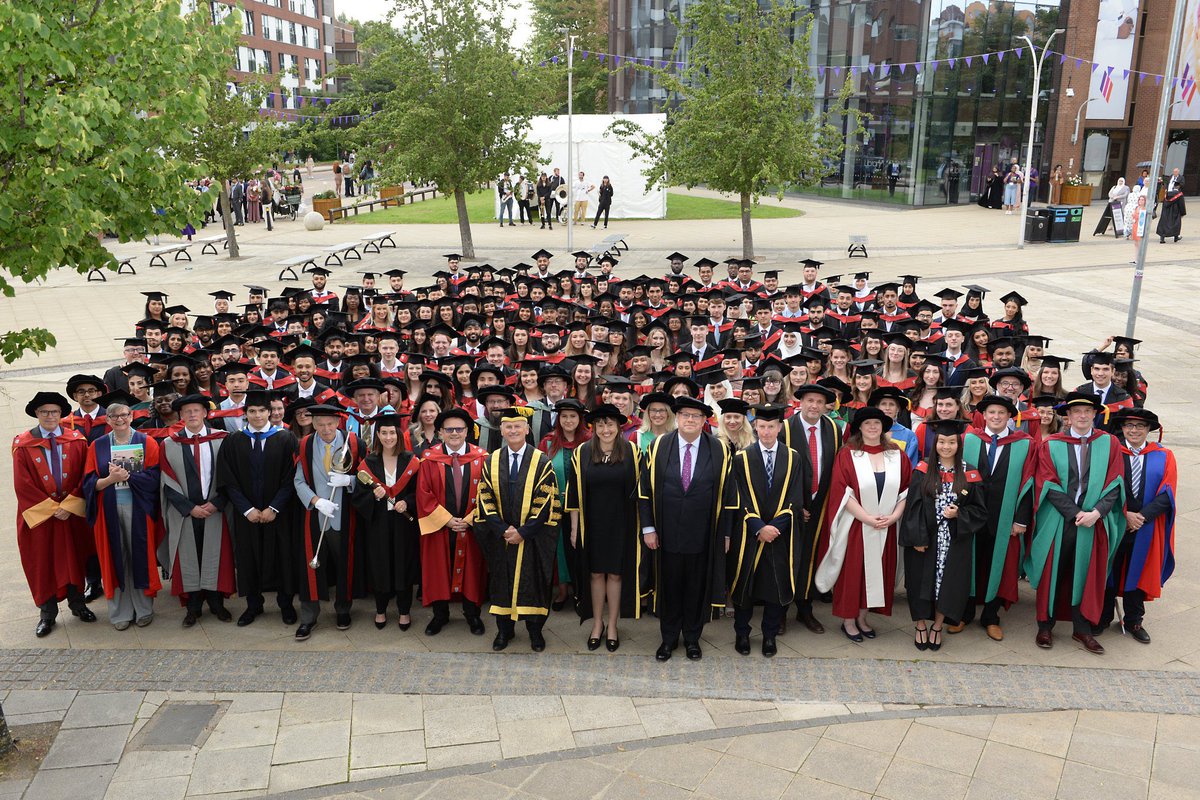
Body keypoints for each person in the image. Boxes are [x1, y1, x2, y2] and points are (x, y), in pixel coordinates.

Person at [639, 395, 737, 661]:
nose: (690, 420)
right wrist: (648, 528)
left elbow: (729, 496)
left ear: (705, 420)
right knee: (669, 587)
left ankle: (693, 638)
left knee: (696, 587)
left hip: (704, 533)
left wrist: (726, 533)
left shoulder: (719, 449)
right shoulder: (659, 446)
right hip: (666, 532)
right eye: (685, 415)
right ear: (677, 418)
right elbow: (645, 490)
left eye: (696, 416)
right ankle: (668, 639)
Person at [1028, 392, 1125, 654]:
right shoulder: (1052, 444)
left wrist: (1096, 512)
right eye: (1076, 412)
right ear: (1067, 416)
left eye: (1087, 411)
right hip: (1060, 520)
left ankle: (1082, 629)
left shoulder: (1110, 443)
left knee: (1085, 573)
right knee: (1053, 571)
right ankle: (1045, 626)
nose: (1082, 416)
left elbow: (1115, 482)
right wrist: (1074, 513)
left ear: (1095, 414)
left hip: (1094, 520)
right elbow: (1047, 481)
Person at [815, 406, 912, 642]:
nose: (872, 427)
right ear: (859, 427)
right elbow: (842, 493)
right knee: (853, 574)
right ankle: (848, 621)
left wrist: (895, 516)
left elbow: (906, 490)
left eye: (877, 423)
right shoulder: (848, 454)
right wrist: (867, 518)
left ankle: (862, 617)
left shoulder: (897, 455)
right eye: (867, 423)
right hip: (857, 526)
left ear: (883, 427)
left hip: (886, 526)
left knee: (878, 573)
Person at [475, 407, 562, 652]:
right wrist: (503, 529)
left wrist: (523, 532)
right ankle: (504, 631)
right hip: (501, 536)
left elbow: (546, 501)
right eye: (508, 426)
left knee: (533, 582)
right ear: (501, 430)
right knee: (501, 582)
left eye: (517, 426)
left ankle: (535, 632)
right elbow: (484, 497)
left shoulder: (541, 461)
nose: (513, 430)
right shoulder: (491, 460)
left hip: (532, 538)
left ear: (526, 429)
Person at [14, 391, 98, 637]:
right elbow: (22, 484)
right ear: (37, 414)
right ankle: (47, 614)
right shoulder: (23, 444)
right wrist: (52, 509)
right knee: (42, 563)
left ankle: (78, 605)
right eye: (44, 412)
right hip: (40, 518)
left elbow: (86, 475)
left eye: (54, 412)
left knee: (74, 558)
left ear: (61, 414)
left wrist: (69, 505)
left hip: (70, 514)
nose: (50, 416)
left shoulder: (76, 440)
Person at [728, 404, 809, 657]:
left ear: (779, 428)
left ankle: (770, 635)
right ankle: (742, 632)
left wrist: (775, 526)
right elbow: (737, 497)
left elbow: (796, 497)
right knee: (746, 586)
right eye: (762, 426)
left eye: (771, 426)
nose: (766, 431)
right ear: (755, 426)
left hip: (779, 534)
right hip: (750, 534)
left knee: (775, 585)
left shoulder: (793, 457)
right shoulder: (741, 457)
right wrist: (757, 525)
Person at [213, 390, 299, 627]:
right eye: (252, 411)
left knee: (283, 557)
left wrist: (274, 507)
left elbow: (292, 478)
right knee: (248, 558)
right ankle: (253, 605)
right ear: (245, 414)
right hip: (247, 515)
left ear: (271, 413)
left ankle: (286, 604)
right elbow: (228, 479)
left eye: (262, 411)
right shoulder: (233, 441)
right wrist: (247, 509)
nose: (258, 415)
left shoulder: (285, 438)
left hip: (278, 514)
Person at [900, 419, 986, 652]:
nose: (946, 446)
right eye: (941, 442)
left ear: (959, 444)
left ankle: (937, 626)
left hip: (954, 541)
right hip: (925, 539)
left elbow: (980, 511)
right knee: (919, 583)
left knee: (948, 586)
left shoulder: (970, 473)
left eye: (951, 442)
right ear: (934, 443)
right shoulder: (922, 469)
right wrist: (917, 538)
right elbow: (913, 507)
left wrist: (960, 513)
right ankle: (920, 625)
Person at [956, 395, 1035, 641]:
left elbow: (1029, 482)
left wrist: (1020, 520)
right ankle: (965, 614)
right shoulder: (969, 439)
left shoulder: (1024, 444)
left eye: (1002, 413)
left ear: (1010, 416)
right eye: (992, 412)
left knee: (998, 565)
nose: (997, 417)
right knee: (968, 563)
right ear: (984, 415)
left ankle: (991, 616)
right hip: (971, 514)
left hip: (1004, 516)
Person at [567, 404, 642, 652]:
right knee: (596, 573)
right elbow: (574, 494)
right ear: (593, 427)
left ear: (619, 426)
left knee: (617, 574)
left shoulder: (632, 451)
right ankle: (597, 623)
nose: (605, 429)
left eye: (610, 424)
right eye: (600, 424)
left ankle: (612, 625)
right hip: (592, 524)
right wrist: (575, 529)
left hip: (622, 523)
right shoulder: (582, 452)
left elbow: (642, 492)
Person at [83, 402, 163, 630]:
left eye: (124, 415)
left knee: (139, 558)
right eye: (114, 416)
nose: (120, 419)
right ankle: (120, 613)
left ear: (131, 416)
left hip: (138, 510)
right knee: (114, 560)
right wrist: (110, 479)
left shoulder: (147, 442)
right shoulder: (96, 446)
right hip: (108, 511)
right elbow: (88, 483)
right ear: (107, 420)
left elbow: (154, 478)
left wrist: (127, 476)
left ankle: (144, 609)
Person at [1100, 408, 1177, 643]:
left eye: (1140, 426)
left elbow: (1168, 493)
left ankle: (1133, 620)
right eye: (1129, 426)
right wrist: (1125, 514)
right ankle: (1102, 618)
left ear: (1148, 430)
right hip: (1114, 523)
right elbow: (1102, 487)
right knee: (1108, 571)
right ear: (1122, 428)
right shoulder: (1112, 453)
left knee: (1139, 570)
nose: (1134, 430)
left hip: (1145, 526)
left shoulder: (1164, 456)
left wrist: (1141, 517)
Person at [291, 404, 366, 640]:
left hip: (345, 516)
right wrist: (315, 501)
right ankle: (308, 617)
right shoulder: (305, 445)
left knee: (345, 564)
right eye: (320, 424)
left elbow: (368, 477)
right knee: (311, 568)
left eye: (330, 424)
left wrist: (350, 481)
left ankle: (343, 610)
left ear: (338, 423)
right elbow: (299, 481)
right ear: (313, 424)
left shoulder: (353, 444)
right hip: (316, 515)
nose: (326, 429)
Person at [159, 394, 234, 627]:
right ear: (180, 416)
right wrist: (189, 508)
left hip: (215, 510)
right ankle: (193, 607)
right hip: (186, 512)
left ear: (205, 413)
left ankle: (216, 603)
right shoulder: (169, 444)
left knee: (215, 555)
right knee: (188, 558)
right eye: (187, 411)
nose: (192, 415)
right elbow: (166, 481)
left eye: (196, 410)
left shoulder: (223, 440)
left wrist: (217, 503)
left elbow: (232, 476)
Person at [415, 408, 489, 636]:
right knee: (438, 569)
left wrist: (468, 520)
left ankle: (472, 614)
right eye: (449, 429)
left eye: (459, 429)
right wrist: (448, 521)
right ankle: (440, 615)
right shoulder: (429, 459)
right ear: (440, 432)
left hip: (471, 525)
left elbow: (488, 493)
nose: (454, 433)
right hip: (439, 526)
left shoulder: (481, 457)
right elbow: (423, 494)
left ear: (468, 431)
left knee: (472, 570)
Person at [351, 414, 421, 631]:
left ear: (398, 434)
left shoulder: (411, 460)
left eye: (392, 432)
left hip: (403, 523)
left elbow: (419, 491)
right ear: (378, 435)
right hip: (378, 523)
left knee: (403, 565)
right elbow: (358, 496)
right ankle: (380, 610)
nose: (388, 437)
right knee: (380, 565)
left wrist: (407, 502)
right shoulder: (368, 463)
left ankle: (404, 611)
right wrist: (374, 496)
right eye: (384, 433)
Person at [783, 384, 844, 634]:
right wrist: (795, 504)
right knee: (786, 558)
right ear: (800, 401)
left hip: (820, 504)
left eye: (820, 402)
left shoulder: (832, 428)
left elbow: (835, 467)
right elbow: (777, 471)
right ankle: (779, 611)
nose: (814, 406)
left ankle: (805, 610)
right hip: (788, 508)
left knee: (809, 558)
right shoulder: (785, 428)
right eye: (809, 400)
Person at [539, 398, 589, 611]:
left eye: (573, 416)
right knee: (559, 549)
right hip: (555, 507)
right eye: (564, 416)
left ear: (580, 418)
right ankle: (562, 591)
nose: (568, 420)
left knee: (581, 549)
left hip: (585, 508)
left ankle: (582, 592)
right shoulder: (548, 442)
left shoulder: (590, 441)